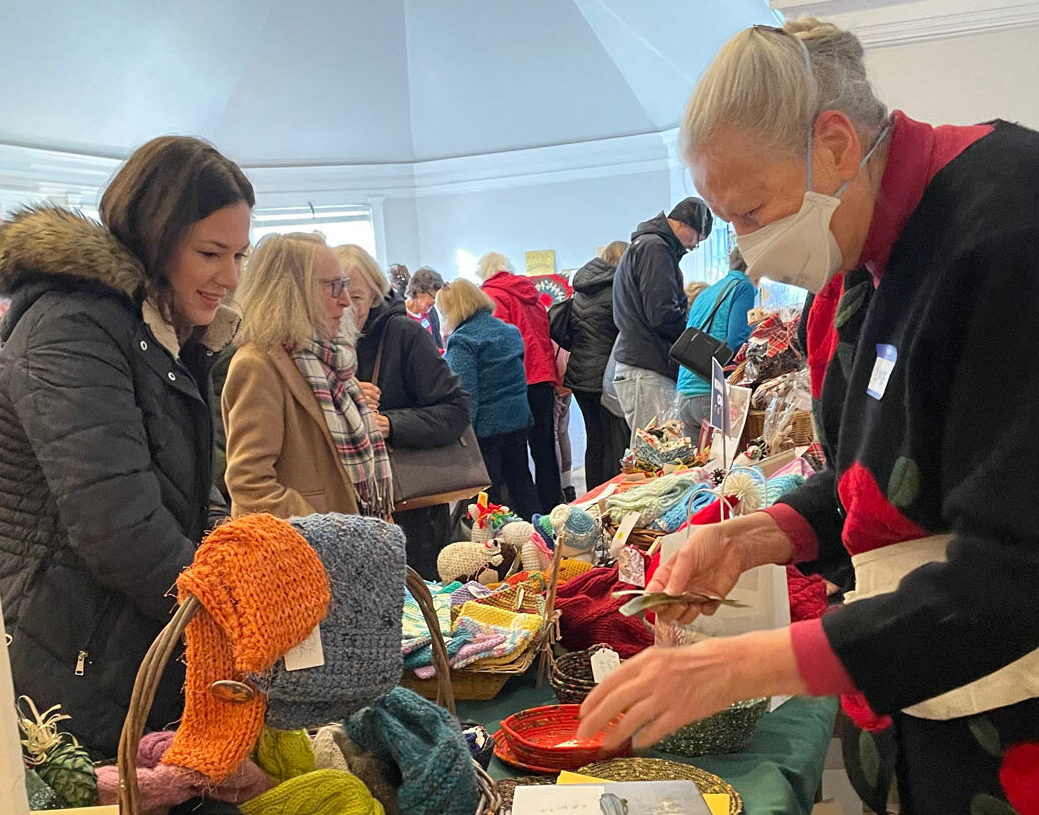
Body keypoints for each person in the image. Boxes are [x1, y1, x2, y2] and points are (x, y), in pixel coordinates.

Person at [578, 19, 1039, 814]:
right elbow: (873, 474)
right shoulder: (857, 262)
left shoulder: (1009, 229)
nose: (749, 252)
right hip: (917, 709)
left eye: (754, 212)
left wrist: (739, 666)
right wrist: (752, 535)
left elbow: (1016, 570)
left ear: (833, 145)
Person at [0, 136, 253, 758]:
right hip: (74, 655)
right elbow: (119, 527)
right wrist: (232, 618)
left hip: (134, 643)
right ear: (154, 238)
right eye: (211, 253)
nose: (230, 277)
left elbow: (193, 495)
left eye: (240, 255)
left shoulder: (167, 331)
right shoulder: (71, 326)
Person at [222, 233, 393, 523]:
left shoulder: (331, 358)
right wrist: (333, 530)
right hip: (307, 553)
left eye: (346, 286)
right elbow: (250, 486)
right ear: (292, 292)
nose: (345, 301)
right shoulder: (258, 365)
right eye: (333, 287)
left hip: (355, 538)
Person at [337, 245, 471, 578]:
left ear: (373, 293)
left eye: (355, 297)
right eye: (335, 293)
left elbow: (455, 412)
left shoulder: (405, 334)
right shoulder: (315, 344)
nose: (344, 308)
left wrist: (389, 424)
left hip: (412, 510)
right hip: (344, 511)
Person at [612, 197, 713, 442]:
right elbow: (662, 313)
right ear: (686, 224)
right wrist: (694, 339)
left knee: (658, 454)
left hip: (642, 366)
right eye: (697, 239)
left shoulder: (648, 246)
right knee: (659, 456)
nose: (693, 246)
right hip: (646, 369)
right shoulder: (655, 248)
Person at [437, 279, 540, 521]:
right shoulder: (509, 331)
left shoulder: (462, 341)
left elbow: (465, 394)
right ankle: (539, 534)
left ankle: (495, 551)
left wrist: (461, 435)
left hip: (487, 429)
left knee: (487, 498)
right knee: (522, 483)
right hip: (518, 420)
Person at [478, 251, 562, 512]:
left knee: (514, 454)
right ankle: (552, 505)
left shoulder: (491, 296)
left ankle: (524, 511)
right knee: (545, 448)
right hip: (542, 377)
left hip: (517, 381)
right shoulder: (532, 296)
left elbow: (498, 345)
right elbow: (544, 338)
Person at [553, 241, 632, 490]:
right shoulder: (617, 291)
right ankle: (611, 494)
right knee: (614, 439)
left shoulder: (580, 292)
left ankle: (593, 495)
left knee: (594, 438)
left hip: (580, 377)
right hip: (607, 376)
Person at [676, 244, 757, 434]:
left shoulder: (707, 292)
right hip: (711, 391)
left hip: (686, 392)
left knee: (696, 463)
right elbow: (738, 341)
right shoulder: (743, 286)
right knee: (724, 462)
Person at [405, 265, 446, 352]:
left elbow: (432, 346)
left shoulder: (430, 313)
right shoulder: (401, 316)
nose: (435, 302)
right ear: (419, 291)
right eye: (434, 297)